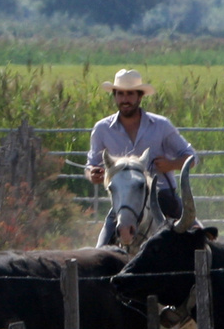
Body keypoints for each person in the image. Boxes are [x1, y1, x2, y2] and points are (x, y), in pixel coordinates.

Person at [84, 68, 197, 247]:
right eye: (120, 94)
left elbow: (191, 157)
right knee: (100, 252)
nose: (125, 99)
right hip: (123, 202)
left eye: (130, 94)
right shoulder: (102, 129)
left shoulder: (161, 125)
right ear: (114, 96)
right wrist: (93, 174)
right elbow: (91, 166)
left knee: (198, 240)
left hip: (163, 198)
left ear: (139, 97)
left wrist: (171, 164)